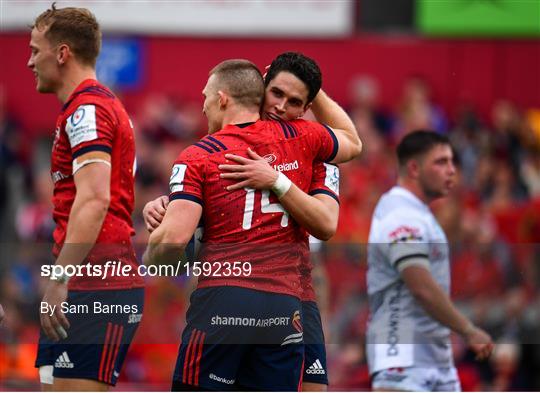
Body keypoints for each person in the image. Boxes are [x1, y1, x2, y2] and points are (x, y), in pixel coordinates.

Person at [144, 59, 360, 390]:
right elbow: (352, 142)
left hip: (231, 298)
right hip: (284, 305)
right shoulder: (305, 140)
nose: (280, 106)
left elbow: (173, 244)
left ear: (221, 98)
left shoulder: (199, 154)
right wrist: (169, 207)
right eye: (275, 93)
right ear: (261, 86)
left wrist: (154, 248)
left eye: (296, 101)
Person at [28, 4, 144, 390]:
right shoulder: (91, 107)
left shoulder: (88, 109)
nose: (29, 62)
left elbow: (95, 200)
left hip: (98, 284)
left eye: (34, 50)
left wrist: (60, 277)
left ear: (62, 53)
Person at [366, 130, 494, 391]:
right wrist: (468, 329)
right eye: (441, 162)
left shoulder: (419, 214)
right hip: (400, 354)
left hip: (433, 356)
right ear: (414, 168)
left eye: (452, 162)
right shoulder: (401, 214)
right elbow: (421, 286)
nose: (451, 171)